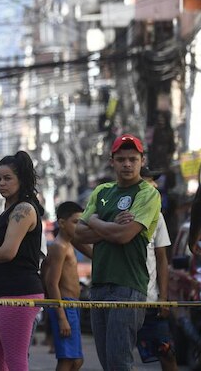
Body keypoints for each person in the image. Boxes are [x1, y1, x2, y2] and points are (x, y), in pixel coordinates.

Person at [75, 133, 161, 370]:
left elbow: (124, 236)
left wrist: (95, 221)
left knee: (119, 362)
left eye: (132, 159)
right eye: (121, 159)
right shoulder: (102, 191)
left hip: (128, 285)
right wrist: (112, 225)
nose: (127, 164)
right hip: (99, 284)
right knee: (107, 361)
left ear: (141, 161)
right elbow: (78, 235)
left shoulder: (148, 193)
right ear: (112, 161)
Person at [0, 150, 45, 371]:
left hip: (20, 292)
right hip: (2, 293)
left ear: (21, 180)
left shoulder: (24, 209)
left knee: (15, 360)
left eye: (7, 178)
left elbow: (7, 252)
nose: (1, 184)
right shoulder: (6, 212)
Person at [126, 167, 177, 370]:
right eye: (149, 181)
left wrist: (163, 298)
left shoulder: (158, 217)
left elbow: (162, 258)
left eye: (154, 181)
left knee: (167, 353)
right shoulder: (117, 212)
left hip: (151, 303)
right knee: (122, 358)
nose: (154, 185)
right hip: (123, 301)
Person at [44, 201, 85, 371]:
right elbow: (52, 284)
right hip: (65, 305)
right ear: (61, 223)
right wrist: (61, 318)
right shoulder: (59, 246)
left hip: (73, 305)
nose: (79, 226)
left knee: (76, 360)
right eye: (75, 222)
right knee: (68, 360)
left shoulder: (69, 243)